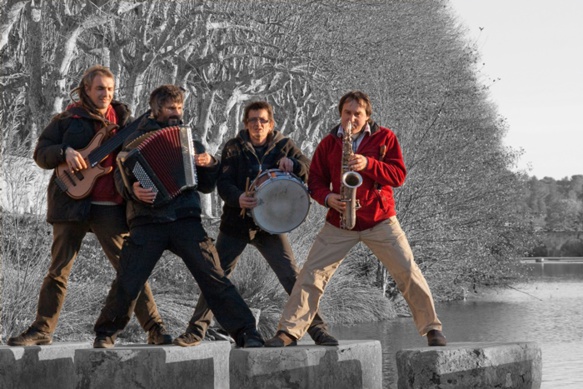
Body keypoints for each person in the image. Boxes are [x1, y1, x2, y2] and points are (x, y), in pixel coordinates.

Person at [265, 91, 447, 347]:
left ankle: (432, 328)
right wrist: (328, 198)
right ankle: (289, 332)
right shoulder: (328, 143)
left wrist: (369, 164)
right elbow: (315, 180)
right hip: (339, 220)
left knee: (407, 271)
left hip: (380, 219)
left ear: (367, 116)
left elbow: (398, 176)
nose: (352, 119)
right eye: (347, 113)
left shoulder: (385, 138)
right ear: (340, 114)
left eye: (357, 114)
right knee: (311, 275)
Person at [8, 65, 171, 347]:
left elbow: (138, 158)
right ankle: (42, 330)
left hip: (110, 205)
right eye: (100, 89)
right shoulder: (68, 119)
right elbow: (40, 154)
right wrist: (64, 152)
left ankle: (154, 327)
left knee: (130, 269)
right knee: (58, 270)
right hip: (70, 203)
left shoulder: (125, 121)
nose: (106, 94)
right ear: (86, 89)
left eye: (109, 89)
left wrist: (136, 185)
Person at [92, 85, 264, 348]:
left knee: (213, 276)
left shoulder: (190, 139)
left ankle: (246, 332)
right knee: (128, 279)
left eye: (180, 108)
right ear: (156, 109)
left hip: (185, 219)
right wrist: (134, 189)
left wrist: (210, 164)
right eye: (172, 108)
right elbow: (120, 177)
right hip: (147, 220)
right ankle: (106, 334)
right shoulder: (133, 139)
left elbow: (206, 185)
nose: (177, 113)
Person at [174, 101, 338, 347]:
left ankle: (318, 330)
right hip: (236, 223)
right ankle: (196, 331)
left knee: (292, 278)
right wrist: (238, 197)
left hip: (271, 226)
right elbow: (224, 183)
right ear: (246, 123)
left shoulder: (285, 145)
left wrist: (293, 165)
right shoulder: (234, 147)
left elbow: (308, 168)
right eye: (252, 120)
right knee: (215, 276)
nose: (257, 125)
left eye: (262, 120)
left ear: (271, 123)